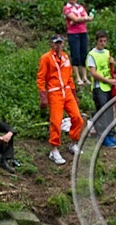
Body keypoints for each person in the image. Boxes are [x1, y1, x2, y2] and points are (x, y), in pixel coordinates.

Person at [37, 34, 84, 165]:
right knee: (56, 122)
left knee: (77, 118)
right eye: (56, 43)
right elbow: (41, 78)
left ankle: (73, 142)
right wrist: (43, 96)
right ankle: (54, 149)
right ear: (51, 44)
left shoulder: (65, 57)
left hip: (67, 91)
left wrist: (74, 94)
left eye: (60, 43)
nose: (58, 45)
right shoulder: (46, 58)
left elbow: (69, 77)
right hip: (54, 92)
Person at [86, 29, 116, 148]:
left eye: (105, 41)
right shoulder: (92, 55)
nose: (103, 43)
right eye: (101, 41)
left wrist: (112, 63)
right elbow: (93, 73)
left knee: (110, 111)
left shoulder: (107, 53)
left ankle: (110, 134)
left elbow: (110, 69)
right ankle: (103, 137)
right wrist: (107, 81)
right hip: (99, 87)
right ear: (97, 41)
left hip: (109, 87)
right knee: (102, 112)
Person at [63, 1, 93, 86]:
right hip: (73, 33)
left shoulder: (80, 7)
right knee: (75, 54)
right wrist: (82, 19)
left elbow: (84, 17)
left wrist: (78, 20)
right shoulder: (67, 8)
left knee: (84, 54)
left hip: (83, 32)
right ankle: (77, 77)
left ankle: (84, 77)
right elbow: (76, 19)